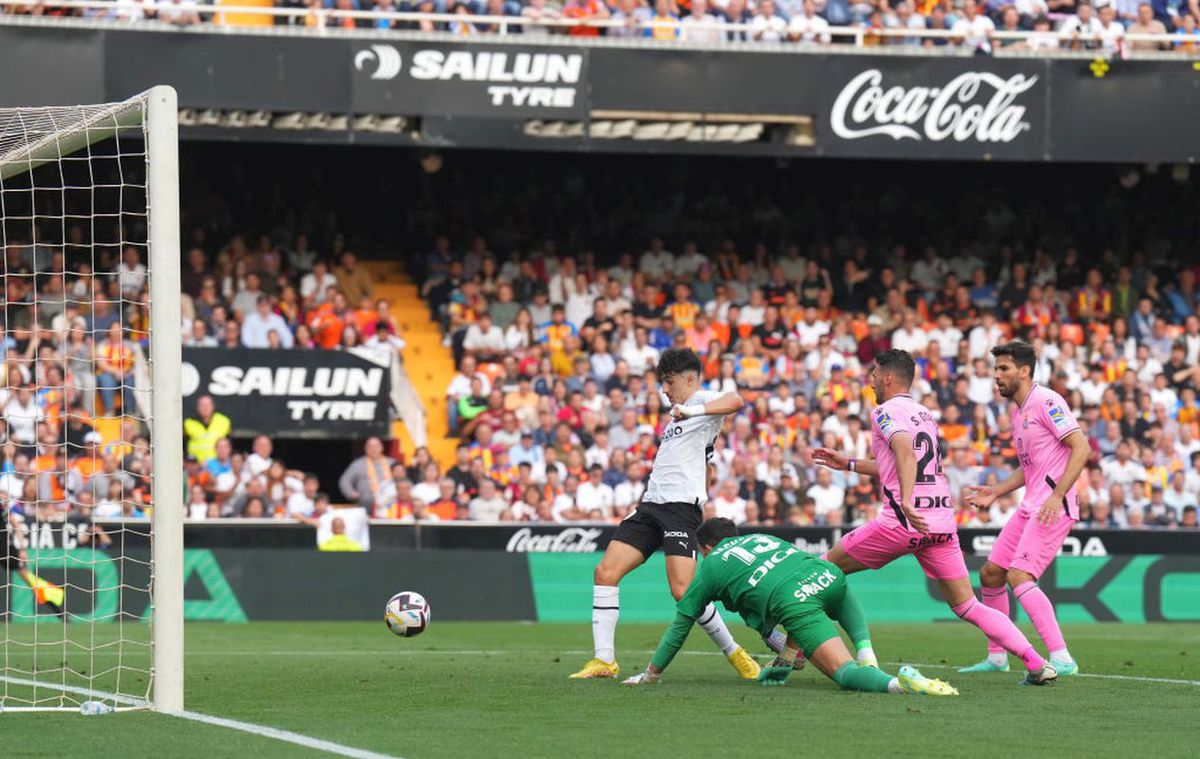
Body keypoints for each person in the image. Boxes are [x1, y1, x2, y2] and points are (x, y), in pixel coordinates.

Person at [813, 350, 1057, 686]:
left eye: (874, 374)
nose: (871, 381)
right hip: (940, 523)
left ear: (888, 377)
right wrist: (850, 464)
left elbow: (904, 451)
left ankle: (794, 653)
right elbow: (899, 463)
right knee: (968, 605)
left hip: (902, 521)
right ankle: (1037, 662)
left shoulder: (884, 411)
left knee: (821, 570)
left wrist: (907, 500)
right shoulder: (924, 414)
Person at [571, 348, 761, 681]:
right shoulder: (677, 416)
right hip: (650, 505)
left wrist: (693, 410)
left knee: (683, 591)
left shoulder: (703, 401)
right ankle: (604, 660)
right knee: (605, 572)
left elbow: (736, 401)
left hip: (679, 508)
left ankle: (735, 653)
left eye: (669, 382)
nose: (664, 389)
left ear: (690, 379)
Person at [621, 519, 958, 697]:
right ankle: (867, 654)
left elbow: (680, 625)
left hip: (797, 602)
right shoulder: (763, 538)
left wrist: (652, 674)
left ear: (706, 548)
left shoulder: (710, 565)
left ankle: (898, 685)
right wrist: (786, 658)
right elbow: (794, 578)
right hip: (828, 575)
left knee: (843, 673)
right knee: (832, 585)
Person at [960, 341, 1091, 677]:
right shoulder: (1018, 412)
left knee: (1019, 575)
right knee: (991, 574)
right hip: (1031, 504)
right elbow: (1032, 467)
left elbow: (1081, 448)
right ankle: (997, 658)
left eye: (1003, 369)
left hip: (1053, 505)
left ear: (1024, 371)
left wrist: (1057, 495)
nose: (996, 376)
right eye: (995, 369)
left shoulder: (1047, 400)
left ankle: (1062, 657)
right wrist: (997, 490)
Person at [337, 436, 395, 511]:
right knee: (367, 500)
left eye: (376, 446)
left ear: (382, 448)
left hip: (390, 500)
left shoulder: (391, 463)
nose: (373, 449)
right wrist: (352, 494)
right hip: (367, 500)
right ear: (365, 449)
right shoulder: (358, 464)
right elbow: (345, 480)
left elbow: (402, 479)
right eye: (370, 447)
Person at [184, 395, 232, 464]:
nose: (205, 407)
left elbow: (229, 442)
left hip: (217, 465)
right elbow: (183, 444)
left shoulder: (224, 421)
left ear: (213, 406)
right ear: (197, 407)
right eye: (202, 405)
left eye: (208, 405)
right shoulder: (188, 423)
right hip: (194, 465)